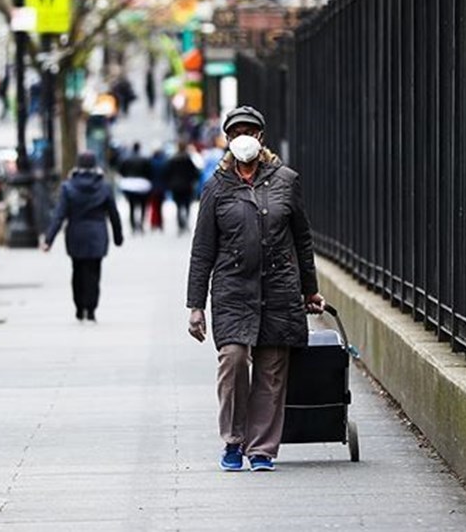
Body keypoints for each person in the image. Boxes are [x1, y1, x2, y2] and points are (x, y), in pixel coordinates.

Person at [185, 105, 325, 472]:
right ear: (228, 139)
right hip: (232, 289)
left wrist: (310, 291)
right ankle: (233, 440)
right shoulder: (216, 187)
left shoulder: (286, 180)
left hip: (278, 288)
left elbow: (302, 240)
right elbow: (202, 249)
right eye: (236, 131)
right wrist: (195, 305)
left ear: (260, 137)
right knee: (232, 360)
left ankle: (262, 448)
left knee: (271, 370)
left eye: (250, 130)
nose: (243, 137)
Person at [41, 151, 124, 322]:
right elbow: (113, 214)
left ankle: (79, 307)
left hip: (76, 234)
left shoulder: (68, 187)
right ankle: (91, 308)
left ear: (77, 166)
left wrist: (48, 240)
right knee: (94, 272)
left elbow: (59, 215)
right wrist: (118, 237)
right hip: (97, 234)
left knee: (77, 270)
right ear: (95, 166)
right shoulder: (104, 186)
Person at [164, 142, 201, 233]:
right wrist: (194, 180)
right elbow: (194, 172)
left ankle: (180, 224)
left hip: (175, 186)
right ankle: (186, 221)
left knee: (178, 205)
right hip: (187, 185)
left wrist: (169, 183)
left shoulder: (172, 159)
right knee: (187, 205)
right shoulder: (187, 158)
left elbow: (167, 172)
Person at [117, 142, 151, 233]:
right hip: (142, 185)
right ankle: (141, 224)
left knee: (132, 207)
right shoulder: (144, 159)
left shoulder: (126, 159)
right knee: (143, 206)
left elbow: (121, 171)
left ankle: (133, 226)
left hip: (129, 185)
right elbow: (149, 172)